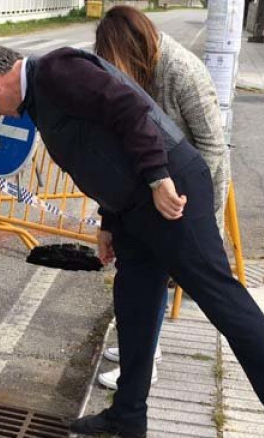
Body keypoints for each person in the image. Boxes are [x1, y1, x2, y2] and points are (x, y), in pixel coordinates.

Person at [0, 46, 264, 438]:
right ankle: (128, 413)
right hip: (133, 205)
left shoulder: (57, 71)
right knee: (135, 302)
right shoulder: (40, 97)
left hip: (167, 194)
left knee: (225, 305)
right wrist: (107, 220)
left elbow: (129, 108)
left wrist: (159, 177)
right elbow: (99, 148)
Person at [93, 5, 231, 391]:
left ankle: (144, 363)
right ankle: (138, 348)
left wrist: (190, 208)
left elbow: (213, 149)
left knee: (157, 275)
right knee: (139, 273)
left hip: (187, 198)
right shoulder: (131, 80)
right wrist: (108, 222)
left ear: (135, 52)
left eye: (118, 63)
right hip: (148, 193)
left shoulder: (182, 72)